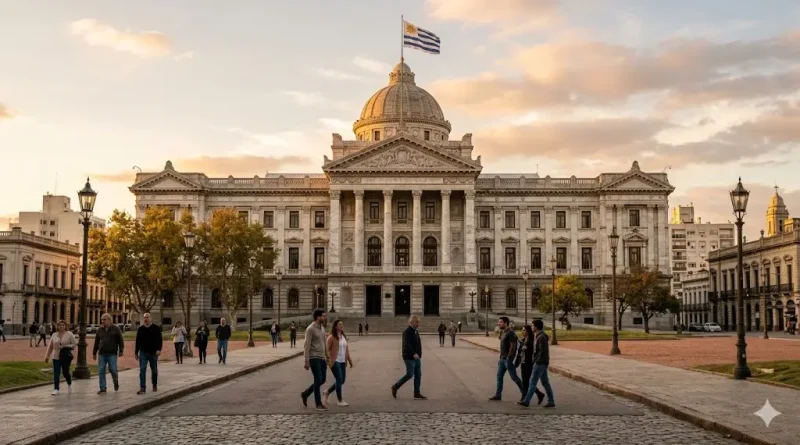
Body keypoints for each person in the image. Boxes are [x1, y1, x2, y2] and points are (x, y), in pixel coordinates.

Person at [518, 320, 555, 408]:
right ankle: (551, 401)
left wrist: (536, 361)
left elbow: (542, 351)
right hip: (542, 362)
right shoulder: (539, 336)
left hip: (540, 362)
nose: (531, 327)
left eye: (532, 326)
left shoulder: (541, 337)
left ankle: (526, 401)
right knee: (545, 383)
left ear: (536, 327)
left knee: (532, 381)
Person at [391, 315, 426, 400]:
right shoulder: (407, 331)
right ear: (411, 322)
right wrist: (413, 353)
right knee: (410, 374)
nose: (418, 324)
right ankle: (395, 387)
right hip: (409, 357)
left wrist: (419, 354)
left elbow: (418, 343)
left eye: (418, 322)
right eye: (417, 322)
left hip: (417, 357)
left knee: (418, 375)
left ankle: (417, 392)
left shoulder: (415, 331)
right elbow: (406, 344)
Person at [301, 309, 330, 411]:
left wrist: (328, 357)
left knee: (322, 379)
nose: (325, 318)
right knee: (318, 379)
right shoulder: (310, 329)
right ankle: (318, 404)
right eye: (323, 316)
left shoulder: (322, 328)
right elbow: (306, 345)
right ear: (318, 317)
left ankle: (305, 393)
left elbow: (324, 343)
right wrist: (306, 360)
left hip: (322, 358)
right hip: (314, 358)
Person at [489, 317, 524, 401]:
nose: (498, 323)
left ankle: (524, 393)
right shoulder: (503, 332)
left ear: (506, 323)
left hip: (508, 360)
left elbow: (513, 345)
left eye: (500, 322)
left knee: (514, 377)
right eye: (498, 322)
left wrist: (509, 357)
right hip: (502, 359)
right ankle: (498, 395)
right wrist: (501, 357)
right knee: (499, 377)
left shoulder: (511, 332)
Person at [323, 319, 354, 407]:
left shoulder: (343, 336)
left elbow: (346, 349)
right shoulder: (331, 337)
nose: (341, 326)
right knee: (339, 379)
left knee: (342, 380)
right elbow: (326, 349)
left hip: (342, 361)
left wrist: (350, 360)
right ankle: (340, 400)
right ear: (335, 326)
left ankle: (327, 392)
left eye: (342, 324)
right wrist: (327, 361)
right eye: (340, 324)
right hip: (334, 361)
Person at [93, 313, 124, 394]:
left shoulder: (116, 329)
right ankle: (103, 388)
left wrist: (121, 350)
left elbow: (120, 340)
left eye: (104, 319)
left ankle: (116, 382)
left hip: (112, 354)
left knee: (113, 370)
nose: (102, 321)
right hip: (102, 354)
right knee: (101, 370)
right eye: (102, 319)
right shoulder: (100, 330)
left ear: (109, 320)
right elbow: (96, 342)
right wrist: (94, 353)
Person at [44, 320, 75, 395]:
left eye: (63, 325)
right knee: (56, 373)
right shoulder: (54, 335)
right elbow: (50, 346)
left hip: (65, 356)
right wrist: (47, 356)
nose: (61, 326)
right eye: (60, 325)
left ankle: (69, 384)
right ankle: (56, 388)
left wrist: (66, 346)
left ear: (65, 326)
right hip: (56, 356)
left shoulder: (70, 334)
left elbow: (74, 345)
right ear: (57, 326)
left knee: (65, 372)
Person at [135, 312, 163, 395]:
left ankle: (154, 384)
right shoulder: (140, 329)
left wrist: (159, 349)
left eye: (147, 317)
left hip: (153, 352)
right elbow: (138, 341)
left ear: (150, 318)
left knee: (154, 370)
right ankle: (142, 387)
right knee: (142, 370)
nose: (145, 319)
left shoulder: (156, 328)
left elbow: (160, 340)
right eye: (144, 317)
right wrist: (136, 352)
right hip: (143, 352)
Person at [519, 324, 545, 405]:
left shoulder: (531, 340)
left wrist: (524, 347)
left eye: (524, 330)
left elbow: (531, 350)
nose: (523, 332)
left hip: (529, 363)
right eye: (522, 330)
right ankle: (539, 394)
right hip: (523, 362)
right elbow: (520, 351)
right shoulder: (524, 339)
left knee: (527, 381)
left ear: (528, 331)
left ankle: (524, 398)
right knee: (526, 381)